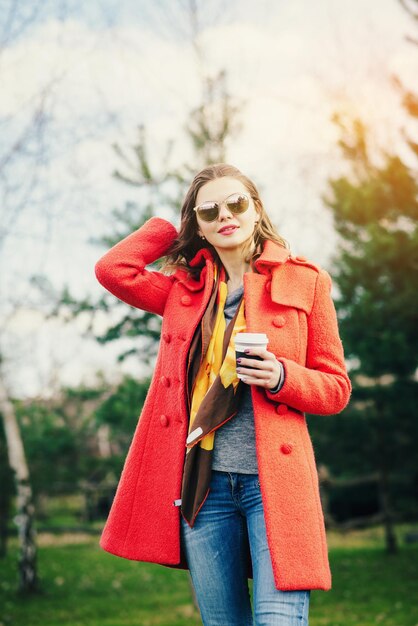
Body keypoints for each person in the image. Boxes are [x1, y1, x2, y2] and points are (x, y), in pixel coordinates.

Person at [94, 163, 351, 626]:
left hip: (273, 486)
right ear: (199, 224)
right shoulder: (184, 292)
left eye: (237, 203)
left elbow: (336, 388)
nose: (225, 216)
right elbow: (113, 269)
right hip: (205, 487)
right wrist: (166, 231)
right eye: (209, 211)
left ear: (256, 210)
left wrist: (281, 376)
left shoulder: (306, 281)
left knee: (278, 619)